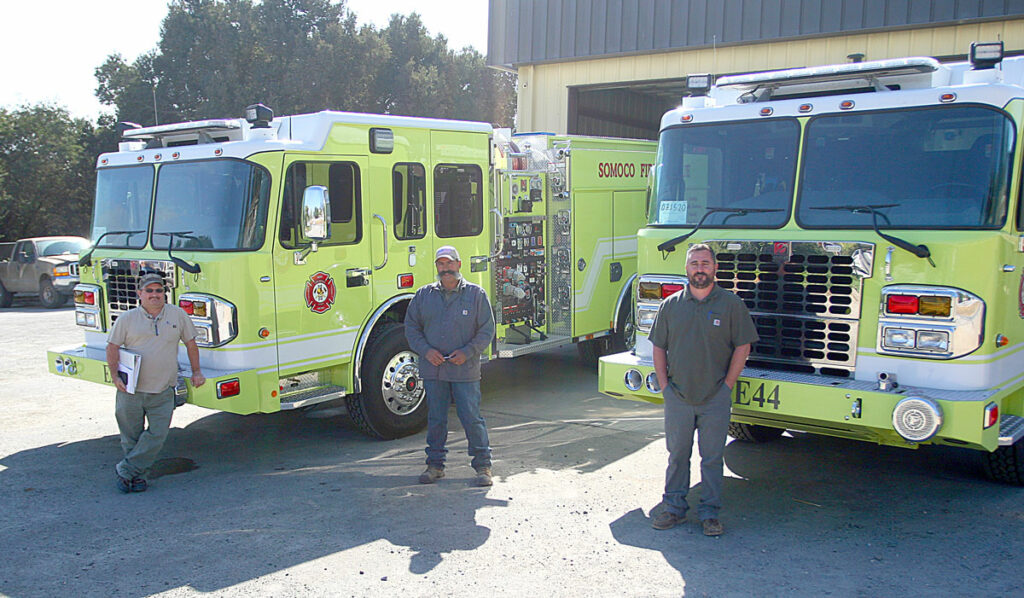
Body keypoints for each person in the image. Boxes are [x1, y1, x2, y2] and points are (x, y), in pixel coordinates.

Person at [648, 243, 758, 536]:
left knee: (711, 458)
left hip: (715, 398)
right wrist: (665, 387)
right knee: (677, 455)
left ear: (715, 268)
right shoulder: (670, 306)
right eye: (694, 263)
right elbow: (658, 347)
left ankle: (710, 513)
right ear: (686, 268)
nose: (700, 269)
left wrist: (727, 387)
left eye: (705, 263)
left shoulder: (731, 304)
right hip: (679, 398)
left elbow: (743, 346)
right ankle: (673, 508)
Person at [106, 272, 205, 493]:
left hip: (163, 390)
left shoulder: (177, 315)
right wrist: (115, 377)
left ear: (164, 294)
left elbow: (191, 343)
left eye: (159, 290)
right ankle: (137, 477)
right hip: (130, 390)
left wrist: (197, 371)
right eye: (149, 291)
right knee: (131, 437)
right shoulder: (126, 319)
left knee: (157, 435)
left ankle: (126, 469)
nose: (154, 295)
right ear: (139, 293)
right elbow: (112, 347)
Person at [405, 245, 496, 487]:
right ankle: (435, 466)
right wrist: (426, 351)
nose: (445, 269)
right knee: (436, 419)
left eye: (449, 263)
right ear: (436, 267)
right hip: (434, 369)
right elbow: (411, 328)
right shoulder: (423, 296)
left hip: (465, 369)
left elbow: (487, 331)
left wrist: (467, 353)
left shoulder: (476, 295)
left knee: (471, 417)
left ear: (459, 264)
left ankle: (483, 467)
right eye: (440, 264)